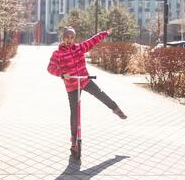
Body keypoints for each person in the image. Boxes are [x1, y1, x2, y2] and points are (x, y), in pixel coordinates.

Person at [47, 26, 127, 154]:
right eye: (67, 37)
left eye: (72, 37)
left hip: (84, 80)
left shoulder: (80, 48)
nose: (69, 39)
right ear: (63, 38)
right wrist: (62, 74)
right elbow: (50, 68)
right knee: (74, 113)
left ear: (74, 38)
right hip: (72, 85)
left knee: (100, 93)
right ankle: (74, 141)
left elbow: (93, 40)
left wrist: (105, 32)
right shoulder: (58, 54)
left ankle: (115, 109)